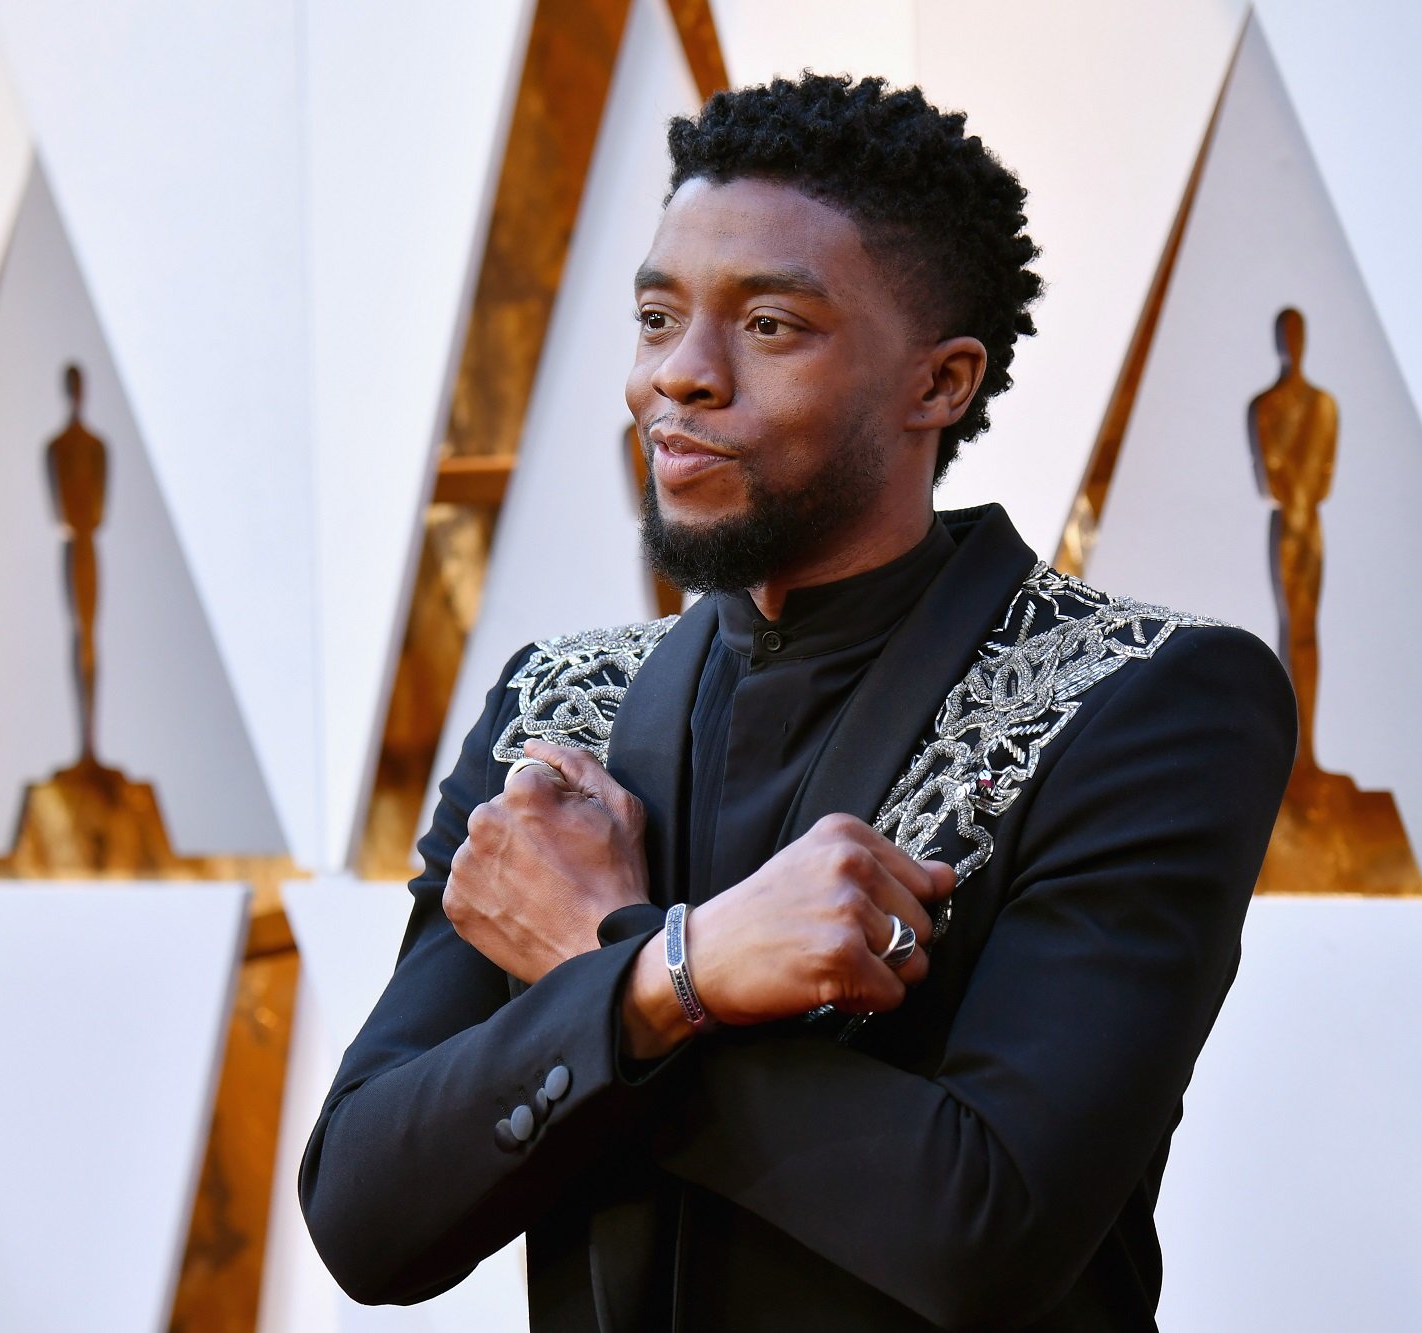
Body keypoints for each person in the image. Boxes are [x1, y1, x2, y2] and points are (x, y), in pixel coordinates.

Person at [300, 73, 1295, 1331]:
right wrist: (678, 971)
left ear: (937, 383)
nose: (681, 376)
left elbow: (982, 1232)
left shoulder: (1143, 699)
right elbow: (364, 1215)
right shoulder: (557, 711)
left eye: (769, 326)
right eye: (656, 317)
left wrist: (613, 967)